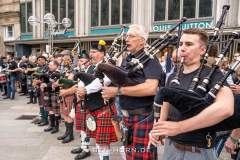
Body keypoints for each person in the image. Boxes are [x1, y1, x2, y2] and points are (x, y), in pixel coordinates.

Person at [149, 28, 234, 160]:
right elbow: (167, 101)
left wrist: (179, 127)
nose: (182, 48)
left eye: (189, 44)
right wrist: (158, 128)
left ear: (202, 50)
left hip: (198, 151)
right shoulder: (173, 76)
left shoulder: (213, 74)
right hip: (171, 148)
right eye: (181, 44)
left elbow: (226, 108)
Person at [101, 24, 165, 160]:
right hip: (127, 117)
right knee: (130, 155)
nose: (126, 39)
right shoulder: (127, 59)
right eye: (126, 36)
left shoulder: (150, 60)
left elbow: (151, 88)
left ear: (142, 40)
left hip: (143, 117)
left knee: (142, 157)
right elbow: (123, 80)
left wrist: (117, 91)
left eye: (131, 36)